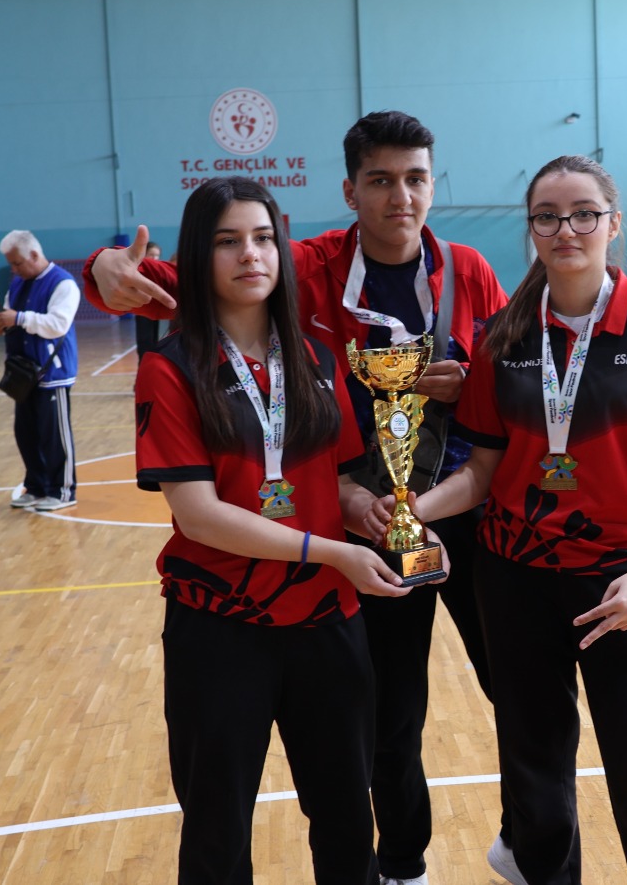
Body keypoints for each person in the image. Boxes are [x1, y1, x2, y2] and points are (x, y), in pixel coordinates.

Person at [83, 110, 508, 885]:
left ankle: (527, 836)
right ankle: (406, 864)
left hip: (445, 512)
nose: (400, 197)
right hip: (329, 546)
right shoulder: (298, 272)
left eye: (415, 179)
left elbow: (514, 363)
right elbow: (183, 277)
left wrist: (470, 381)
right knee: (384, 722)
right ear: (349, 191)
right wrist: (102, 267)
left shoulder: (460, 275)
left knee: (512, 691)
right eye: (380, 181)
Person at [375, 155, 627, 885]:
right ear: (530, 228)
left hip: (621, 585)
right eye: (548, 216)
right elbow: (482, 473)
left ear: (613, 224)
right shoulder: (504, 335)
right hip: (514, 581)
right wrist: (411, 513)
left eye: (584, 214)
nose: (567, 229)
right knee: (536, 782)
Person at [136, 176, 419, 884]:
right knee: (218, 829)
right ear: (198, 256)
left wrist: (373, 513)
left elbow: (341, 480)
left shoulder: (317, 357)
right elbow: (198, 514)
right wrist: (331, 552)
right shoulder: (170, 369)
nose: (250, 254)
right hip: (220, 628)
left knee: (347, 820)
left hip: (326, 624)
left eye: (263, 238)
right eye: (227, 241)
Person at [0, 230, 79, 511]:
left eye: (17, 263)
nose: (14, 269)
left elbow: (58, 325)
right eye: (11, 264)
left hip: (52, 372)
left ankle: (62, 491)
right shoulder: (17, 283)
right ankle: (36, 486)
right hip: (23, 373)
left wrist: (18, 318)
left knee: (54, 436)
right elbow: (12, 316)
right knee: (26, 434)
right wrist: (2, 324)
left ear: (34, 255)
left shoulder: (63, 283)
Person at [135, 241, 165, 359]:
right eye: (151, 254)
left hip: (157, 311)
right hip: (143, 310)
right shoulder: (138, 270)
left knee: (156, 341)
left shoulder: (159, 272)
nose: (154, 258)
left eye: (157, 255)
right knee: (145, 342)